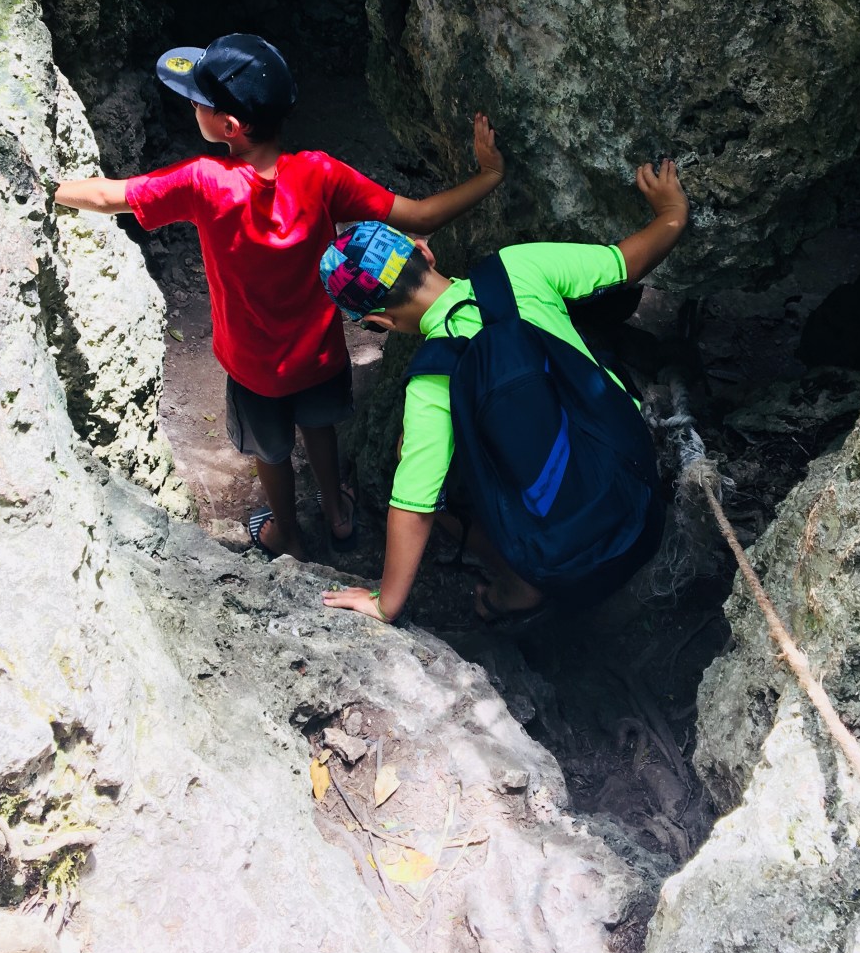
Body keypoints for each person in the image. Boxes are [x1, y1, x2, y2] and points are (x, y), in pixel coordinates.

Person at [54, 33, 505, 561]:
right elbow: (422, 216)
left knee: (269, 451)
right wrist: (490, 174)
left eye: (199, 99)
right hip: (320, 355)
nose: (192, 104)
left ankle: (285, 531)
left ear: (228, 127)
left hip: (253, 368)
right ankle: (338, 515)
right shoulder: (319, 172)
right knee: (320, 426)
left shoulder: (204, 181)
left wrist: (44, 180)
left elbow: (112, 196)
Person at [317, 159, 689, 623]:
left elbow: (413, 504)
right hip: (641, 496)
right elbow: (625, 263)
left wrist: (384, 602)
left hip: (569, 567)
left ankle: (520, 584)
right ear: (424, 253)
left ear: (380, 322)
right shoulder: (520, 266)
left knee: (414, 463)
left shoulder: (433, 379)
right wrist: (672, 211)